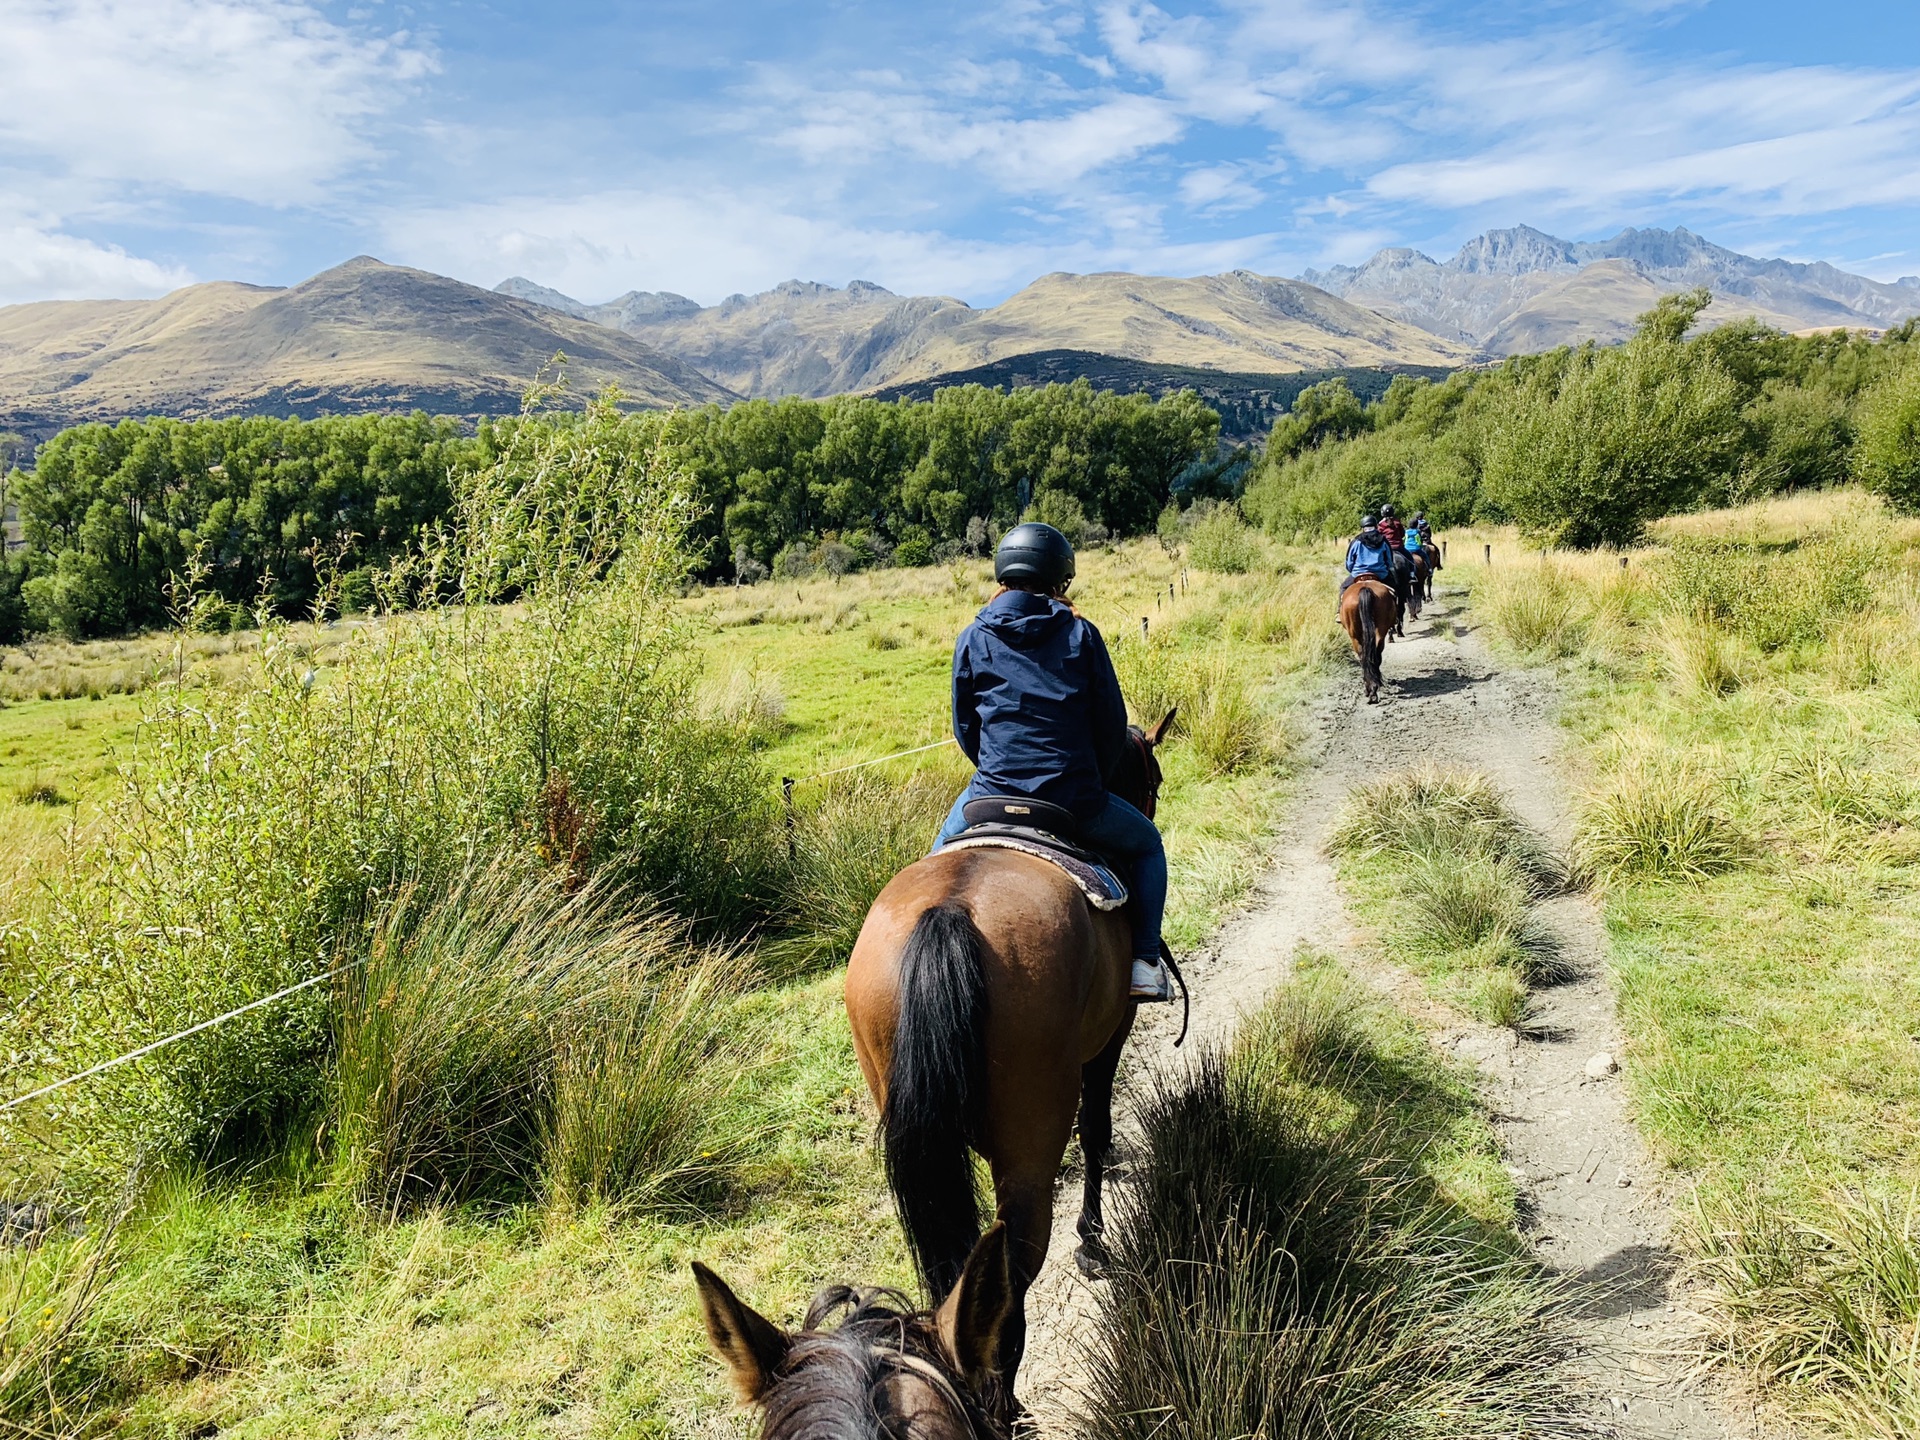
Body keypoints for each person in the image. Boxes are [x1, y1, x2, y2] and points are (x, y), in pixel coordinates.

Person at [932, 522, 1173, 1002]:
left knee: (935, 861)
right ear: (1062, 579)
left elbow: (964, 728)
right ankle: (1145, 963)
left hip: (990, 796)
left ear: (1002, 573)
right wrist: (1088, 781)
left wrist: (998, 771)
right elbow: (1111, 728)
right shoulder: (1082, 635)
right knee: (1148, 845)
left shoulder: (972, 636)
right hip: (1071, 799)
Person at [1341, 514, 1397, 597]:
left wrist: (1353, 571)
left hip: (1358, 573)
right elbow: (1389, 560)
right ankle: (1399, 608)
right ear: (1376, 526)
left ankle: (1339, 609)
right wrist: (1387, 568)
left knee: (1343, 588)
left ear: (1363, 528)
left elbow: (1349, 562)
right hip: (1380, 574)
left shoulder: (1356, 541)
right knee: (1396, 589)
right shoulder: (1383, 541)